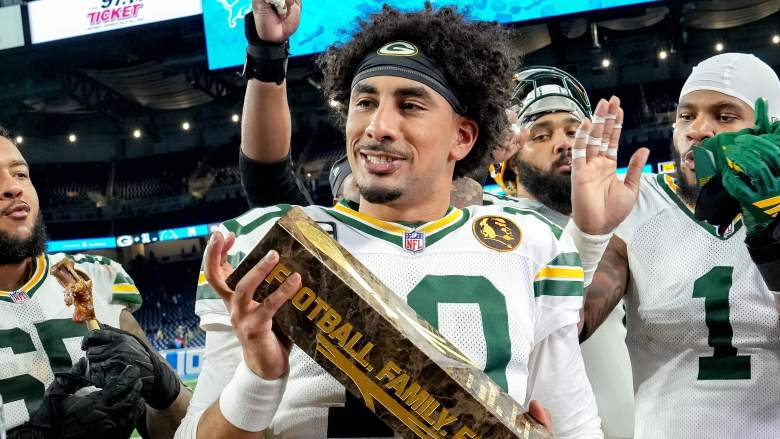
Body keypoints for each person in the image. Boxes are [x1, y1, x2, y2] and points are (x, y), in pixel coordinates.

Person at [175, 1, 649, 438]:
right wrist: (258, 379)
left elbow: (575, 427)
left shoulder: (533, 244)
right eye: (365, 102)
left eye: (410, 105)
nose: (377, 126)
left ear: (462, 137)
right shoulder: (269, 244)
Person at [580, 52, 780, 438]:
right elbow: (569, 326)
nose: (697, 130)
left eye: (725, 116)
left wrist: (774, 243)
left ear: (770, 129)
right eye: (686, 115)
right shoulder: (636, 204)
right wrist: (589, 236)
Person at [0, 128, 191, 438]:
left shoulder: (95, 277)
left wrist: (163, 388)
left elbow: (184, 429)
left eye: (21, 174)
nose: (12, 187)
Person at [488, 66, 635, 439]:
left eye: (573, 131)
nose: (565, 143)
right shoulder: (491, 225)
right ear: (507, 157)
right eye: (541, 135)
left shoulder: (620, 222)